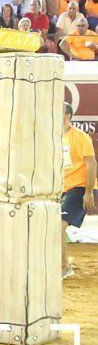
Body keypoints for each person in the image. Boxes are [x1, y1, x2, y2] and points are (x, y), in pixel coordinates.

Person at [61, 102, 97, 279]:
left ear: (67, 116)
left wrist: (89, 192)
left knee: (59, 226)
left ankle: (64, 267)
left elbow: (91, 163)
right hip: (61, 188)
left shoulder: (80, 136)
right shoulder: (55, 137)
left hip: (79, 187)